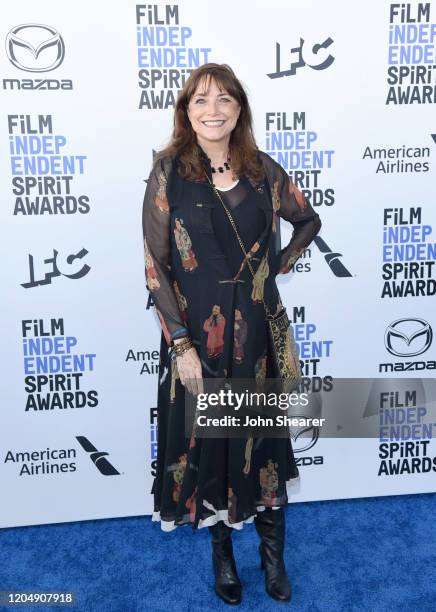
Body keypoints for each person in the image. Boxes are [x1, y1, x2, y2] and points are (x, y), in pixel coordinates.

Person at [142, 62, 321, 605]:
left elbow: (308, 221)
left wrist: (279, 264)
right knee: (215, 446)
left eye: (223, 99)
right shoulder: (169, 172)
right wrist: (180, 344)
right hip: (198, 338)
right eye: (200, 100)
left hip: (259, 340)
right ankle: (223, 556)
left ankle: (273, 559)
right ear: (186, 111)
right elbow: (156, 265)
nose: (212, 110)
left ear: (239, 108)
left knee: (263, 445)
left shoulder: (263, 170)